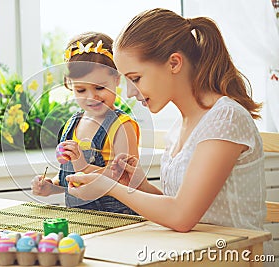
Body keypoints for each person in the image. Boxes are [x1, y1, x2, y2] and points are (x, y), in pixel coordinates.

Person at [66, 8, 273, 257]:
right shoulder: (180, 127)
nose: (130, 93)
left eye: (136, 78)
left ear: (174, 63)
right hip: (189, 253)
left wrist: (108, 186)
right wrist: (137, 185)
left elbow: (182, 216)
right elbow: (179, 203)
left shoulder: (225, 118)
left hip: (231, 258)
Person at [31, 32, 160, 214]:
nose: (91, 97)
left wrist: (82, 165)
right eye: (81, 89)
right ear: (69, 85)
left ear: (116, 80)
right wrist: (52, 186)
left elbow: (125, 178)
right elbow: (70, 178)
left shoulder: (121, 126)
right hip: (80, 219)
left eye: (100, 87)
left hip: (118, 221)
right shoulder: (72, 124)